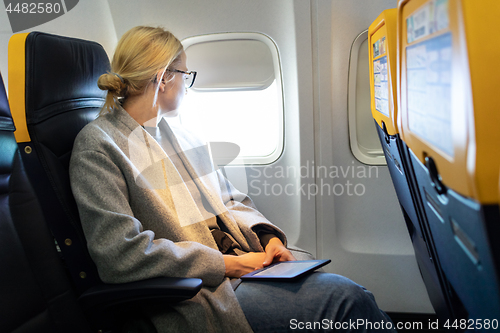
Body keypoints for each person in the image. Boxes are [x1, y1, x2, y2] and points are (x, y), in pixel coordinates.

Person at [70, 26, 396, 333]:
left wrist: (269, 240)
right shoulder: (99, 145)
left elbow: (231, 200)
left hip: (238, 263)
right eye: (187, 75)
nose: (188, 83)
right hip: (196, 292)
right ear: (164, 77)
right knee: (345, 300)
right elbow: (121, 255)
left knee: (346, 293)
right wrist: (227, 265)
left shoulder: (181, 135)